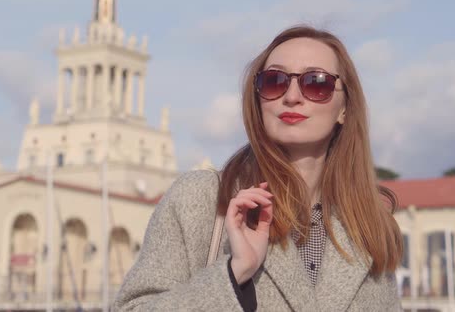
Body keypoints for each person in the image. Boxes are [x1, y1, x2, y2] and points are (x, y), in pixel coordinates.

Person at [113, 26, 403, 311]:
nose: (292, 96)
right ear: (258, 98)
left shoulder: (367, 230)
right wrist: (232, 273)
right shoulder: (202, 200)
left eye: (316, 83)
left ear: (344, 108)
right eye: (274, 81)